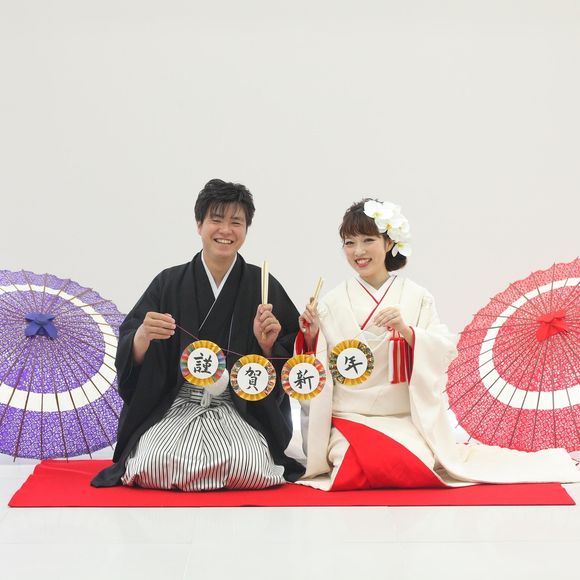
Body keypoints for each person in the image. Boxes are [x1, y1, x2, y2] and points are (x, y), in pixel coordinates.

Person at [296, 199, 579, 490]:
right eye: (349, 242)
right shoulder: (331, 302)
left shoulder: (416, 296)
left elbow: (443, 349)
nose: (358, 251)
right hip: (351, 417)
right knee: (351, 468)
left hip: (405, 416)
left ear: (389, 242)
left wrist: (408, 332)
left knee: (413, 463)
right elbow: (318, 365)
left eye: (368, 240)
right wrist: (312, 335)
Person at [92, 179, 304, 490]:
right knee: (154, 463)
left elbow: (291, 355)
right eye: (216, 219)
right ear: (199, 224)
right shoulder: (169, 283)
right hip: (175, 405)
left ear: (246, 229)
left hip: (239, 408)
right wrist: (142, 337)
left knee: (248, 465)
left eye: (236, 222)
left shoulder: (261, 285)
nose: (225, 230)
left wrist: (268, 346)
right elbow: (130, 349)